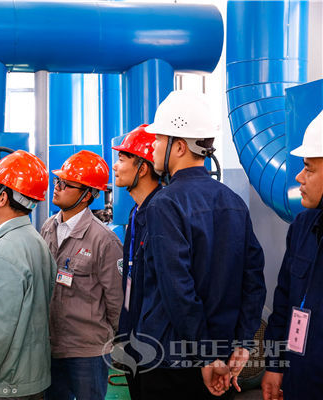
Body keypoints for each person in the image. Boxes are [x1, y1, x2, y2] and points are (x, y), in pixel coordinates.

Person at [136, 90, 266, 399]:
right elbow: (254, 280)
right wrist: (242, 345)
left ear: (179, 146)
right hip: (221, 357)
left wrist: (207, 355)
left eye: (159, 139)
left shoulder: (164, 204)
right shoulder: (233, 202)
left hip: (170, 361)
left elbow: (178, 289)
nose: (152, 147)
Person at [0, 150, 57, 400]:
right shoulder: (36, 242)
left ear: (2, 198)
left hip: (6, 385)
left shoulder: (4, 250)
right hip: (31, 378)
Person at [41, 150, 124, 400]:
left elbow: (116, 301)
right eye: (58, 181)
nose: (58, 187)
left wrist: (113, 343)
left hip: (88, 351)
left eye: (66, 184)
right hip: (51, 346)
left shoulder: (104, 241)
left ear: (87, 194)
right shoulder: (48, 227)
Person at [261, 110, 323, 400]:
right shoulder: (302, 226)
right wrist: (275, 365)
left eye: (309, 168)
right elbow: (284, 302)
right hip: (298, 380)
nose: (299, 176)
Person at [111, 124, 162, 399]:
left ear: (142, 168)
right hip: (135, 337)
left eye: (122, 159)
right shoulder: (135, 213)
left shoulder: (160, 214)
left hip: (156, 345)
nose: (115, 167)